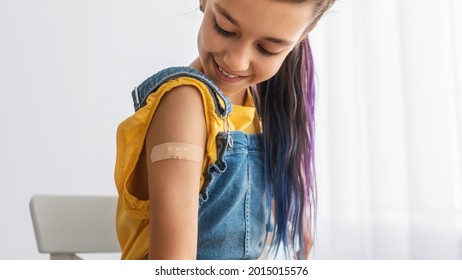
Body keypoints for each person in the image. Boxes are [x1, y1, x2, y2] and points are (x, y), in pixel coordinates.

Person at [114, 0, 335, 260]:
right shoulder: (184, 105)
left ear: (303, 35)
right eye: (224, 28)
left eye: (267, 49)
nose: (236, 62)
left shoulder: (258, 109)